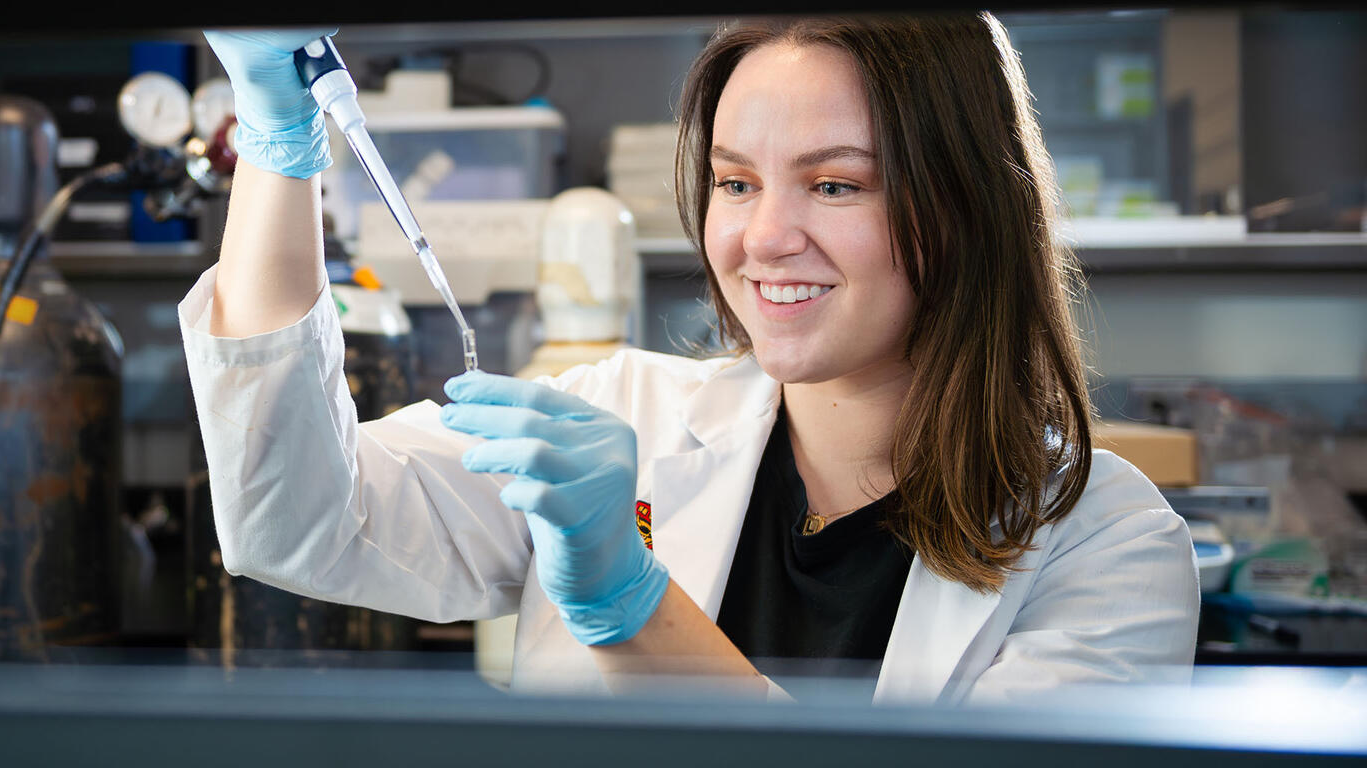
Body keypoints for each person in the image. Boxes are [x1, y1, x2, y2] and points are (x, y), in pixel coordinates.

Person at [181, 14, 1200, 704]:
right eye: (736, 183)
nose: (764, 239)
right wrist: (279, 141)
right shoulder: (619, 418)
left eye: (837, 186)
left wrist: (629, 600)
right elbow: (296, 522)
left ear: (967, 206)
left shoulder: (1106, 549)